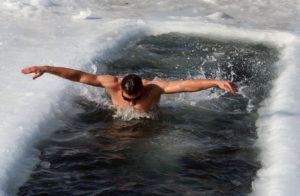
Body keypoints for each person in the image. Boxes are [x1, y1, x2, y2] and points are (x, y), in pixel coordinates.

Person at [21, 65, 238, 112]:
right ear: (121, 88)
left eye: (136, 99)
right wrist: (47, 68)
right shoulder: (110, 83)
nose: (132, 103)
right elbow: (79, 76)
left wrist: (215, 82)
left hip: (150, 123)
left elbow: (183, 86)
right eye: (129, 99)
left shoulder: (153, 88)